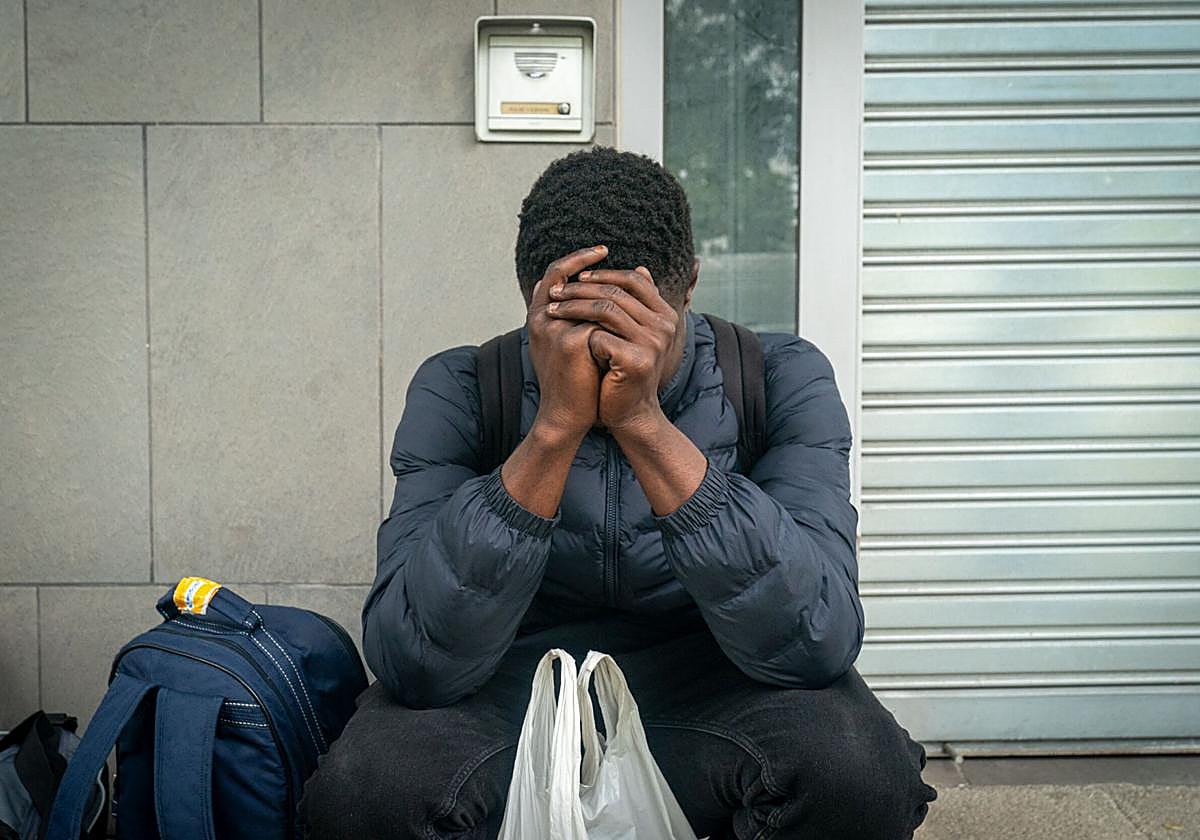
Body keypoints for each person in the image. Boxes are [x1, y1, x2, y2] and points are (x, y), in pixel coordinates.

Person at [300, 147, 937, 839]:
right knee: (365, 794)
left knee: (858, 775)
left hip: (713, 679)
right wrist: (554, 428)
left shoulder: (776, 376)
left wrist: (644, 423)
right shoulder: (463, 386)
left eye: (637, 326)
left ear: (688, 289)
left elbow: (816, 639)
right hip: (506, 680)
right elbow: (413, 660)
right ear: (530, 297)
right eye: (576, 329)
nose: (607, 356)